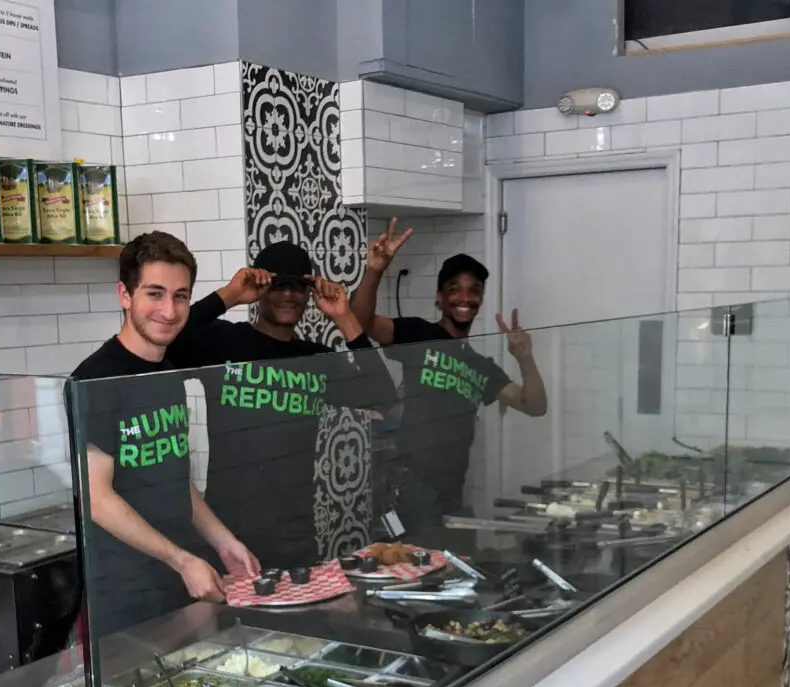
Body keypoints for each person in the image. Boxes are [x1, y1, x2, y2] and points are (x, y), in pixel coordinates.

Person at [68, 231, 259, 638]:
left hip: (180, 580)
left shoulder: (169, 371)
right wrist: (181, 560)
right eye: (155, 293)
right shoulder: (95, 379)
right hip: (125, 593)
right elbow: (96, 499)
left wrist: (223, 541)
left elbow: (171, 477)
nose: (169, 311)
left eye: (180, 296)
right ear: (125, 294)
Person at [166, 240, 396, 568]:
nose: (289, 295)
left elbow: (383, 396)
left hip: (293, 535)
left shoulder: (317, 359)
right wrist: (230, 295)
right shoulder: (225, 341)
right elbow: (169, 340)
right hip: (224, 534)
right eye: (279, 285)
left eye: (298, 287)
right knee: (232, 621)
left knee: (295, 619)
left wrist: (345, 319)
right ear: (262, 290)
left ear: (308, 295)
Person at [350, 219, 548, 542]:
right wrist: (374, 271)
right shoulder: (419, 333)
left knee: (457, 572)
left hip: (454, 492)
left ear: (481, 300)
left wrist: (525, 357)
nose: (464, 298)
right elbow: (360, 321)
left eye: (474, 291)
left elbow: (534, 405)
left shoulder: (479, 366)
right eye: (454, 289)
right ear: (439, 297)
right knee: (427, 572)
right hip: (414, 487)